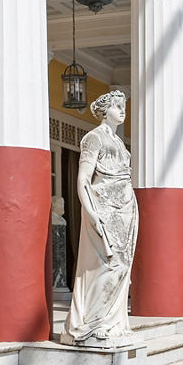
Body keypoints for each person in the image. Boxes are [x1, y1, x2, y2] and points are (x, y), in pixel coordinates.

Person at [61, 90, 138, 346]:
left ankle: (113, 321)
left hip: (125, 211)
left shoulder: (120, 144)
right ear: (105, 111)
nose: (122, 110)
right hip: (104, 209)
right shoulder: (93, 138)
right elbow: (83, 179)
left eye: (123, 105)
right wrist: (91, 212)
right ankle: (92, 323)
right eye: (117, 105)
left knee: (123, 267)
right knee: (107, 264)